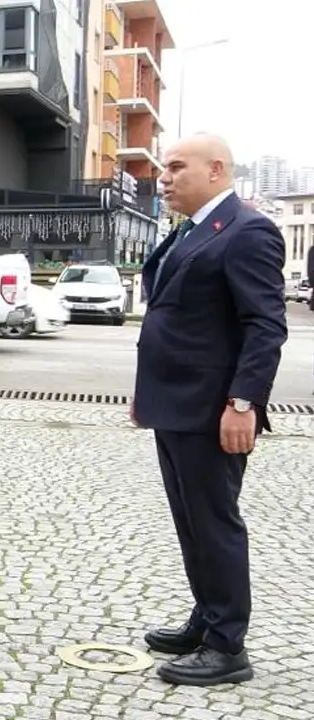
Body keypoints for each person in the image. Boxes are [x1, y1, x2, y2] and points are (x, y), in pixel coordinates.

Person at [132, 133, 286, 687]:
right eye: (163, 168)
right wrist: (146, 393)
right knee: (191, 523)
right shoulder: (192, 229)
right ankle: (207, 616)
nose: (164, 177)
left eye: (176, 167)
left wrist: (243, 402)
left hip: (212, 409)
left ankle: (228, 646)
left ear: (216, 169)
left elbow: (265, 325)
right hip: (174, 404)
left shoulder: (248, 230)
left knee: (214, 523)